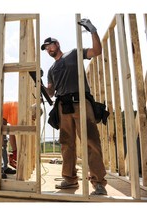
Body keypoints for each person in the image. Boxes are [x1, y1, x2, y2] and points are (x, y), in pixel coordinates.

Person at [41, 19, 107, 195]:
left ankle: (99, 182)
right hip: (63, 106)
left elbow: (97, 51)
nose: (48, 49)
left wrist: (93, 31)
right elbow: (51, 92)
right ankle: (70, 180)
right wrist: (38, 84)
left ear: (57, 44)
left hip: (81, 102)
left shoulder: (74, 54)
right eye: (45, 48)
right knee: (66, 144)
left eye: (50, 45)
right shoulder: (51, 69)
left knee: (91, 141)